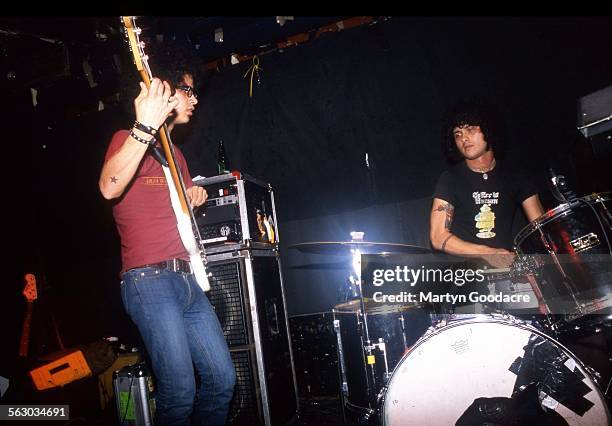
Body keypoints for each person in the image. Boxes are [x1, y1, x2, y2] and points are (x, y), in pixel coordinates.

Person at [99, 65, 235, 425]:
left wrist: (191, 200)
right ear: (163, 91)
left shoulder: (178, 156)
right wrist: (144, 127)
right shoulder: (127, 138)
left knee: (223, 380)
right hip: (150, 282)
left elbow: (171, 212)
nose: (194, 99)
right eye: (186, 91)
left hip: (187, 280)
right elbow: (110, 186)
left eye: (194, 92)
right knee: (179, 392)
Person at [430, 102, 545, 269]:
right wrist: (487, 253)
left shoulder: (516, 176)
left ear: (489, 129)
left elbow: (542, 229)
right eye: (458, 134)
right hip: (465, 275)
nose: (464, 138)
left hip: (507, 273)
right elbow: (437, 237)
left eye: (470, 129)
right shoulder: (450, 179)